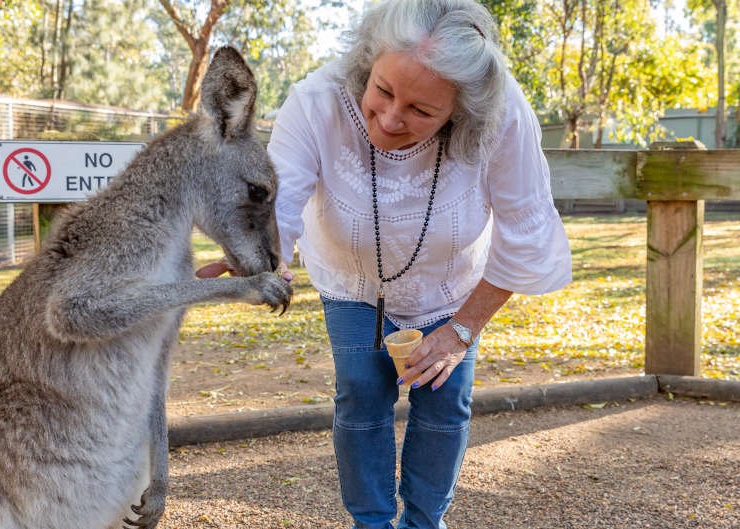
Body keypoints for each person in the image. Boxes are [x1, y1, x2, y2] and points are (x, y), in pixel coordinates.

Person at [200, 1, 571, 527]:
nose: (392, 118)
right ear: (368, 63)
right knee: (361, 394)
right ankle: (370, 523)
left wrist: (461, 330)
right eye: (384, 91)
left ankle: (425, 522)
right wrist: (261, 256)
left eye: (422, 111)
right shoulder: (317, 99)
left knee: (444, 404)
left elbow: (526, 232)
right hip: (352, 275)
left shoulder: (501, 113)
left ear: (459, 111)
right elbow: (279, 200)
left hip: (450, 284)